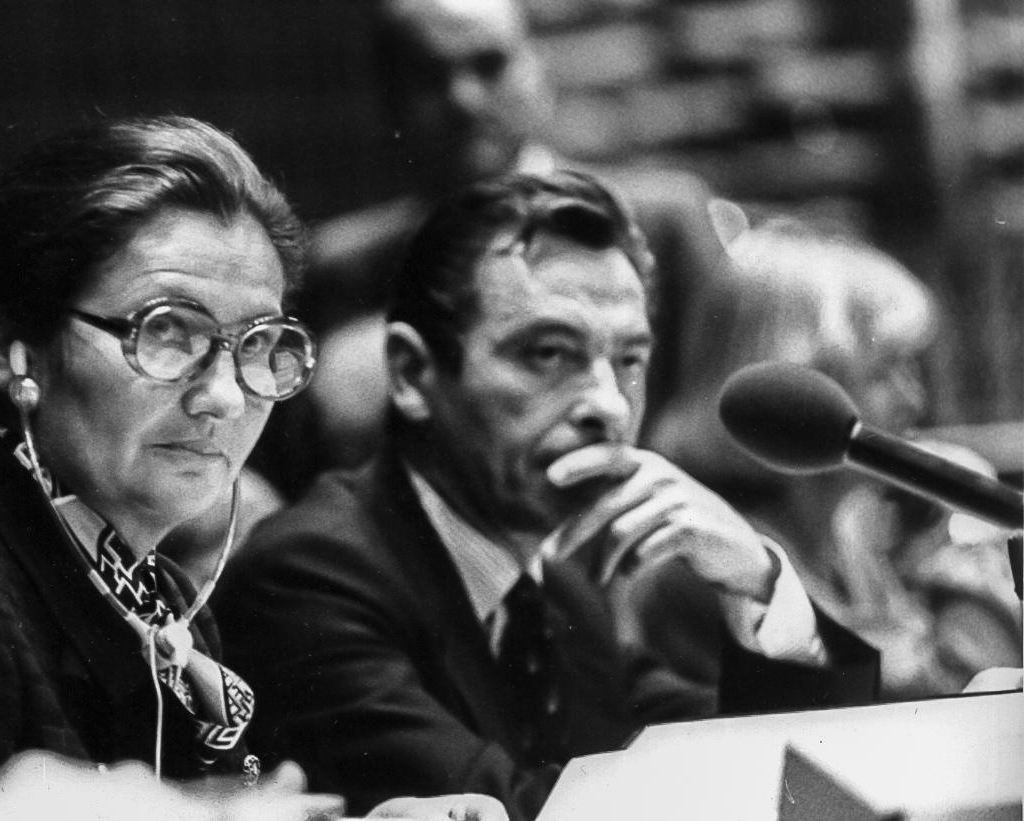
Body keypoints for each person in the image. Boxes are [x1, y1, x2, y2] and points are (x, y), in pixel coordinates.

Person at [0, 115, 505, 821]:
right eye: (166, 332)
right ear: (15, 351)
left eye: (258, 343)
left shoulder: (154, 595)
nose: (223, 396)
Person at [213, 171, 880, 821]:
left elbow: (802, 769)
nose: (607, 404)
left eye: (628, 360)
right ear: (412, 372)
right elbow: (516, 814)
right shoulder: (310, 576)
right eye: (549, 354)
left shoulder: (562, 594)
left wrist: (758, 581)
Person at [251, 0, 729, 498]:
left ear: (539, 68)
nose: (463, 98)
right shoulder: (344, 267)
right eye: (429, 75)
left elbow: (719, 424)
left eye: (490, 64)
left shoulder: (663, 223)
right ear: (388, 98)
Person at [647, 212, 1023, 698]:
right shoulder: (720, 565)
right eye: (887, 370)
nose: (916, 401)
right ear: (800, 391)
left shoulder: (848, 537)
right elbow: (929, 705)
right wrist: (964, 546)